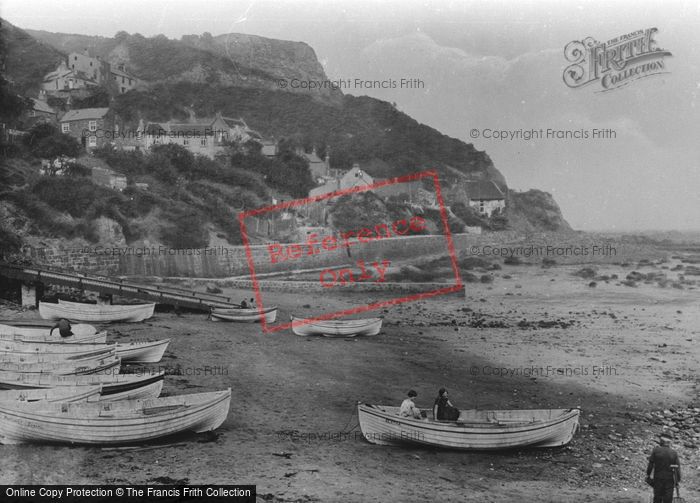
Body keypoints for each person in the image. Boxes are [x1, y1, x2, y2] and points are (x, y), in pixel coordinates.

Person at [646, 435, 681, 503]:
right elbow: (677, 468)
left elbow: (651, 464)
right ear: (669, 444)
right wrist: (677, 480)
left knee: (657, 497)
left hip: (658, 478)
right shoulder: (674, 453)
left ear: (661, 443)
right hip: (669, 479)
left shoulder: (656, 451)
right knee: (668, 498)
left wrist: (648, 474)